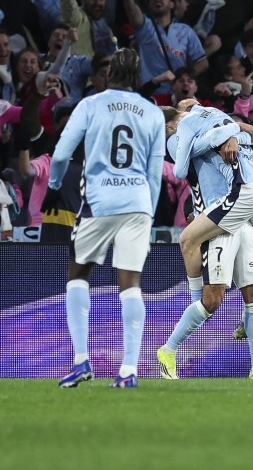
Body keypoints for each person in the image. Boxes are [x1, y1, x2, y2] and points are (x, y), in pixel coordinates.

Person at [47, 49, 165, 389]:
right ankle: (129, 370)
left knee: (78, 274)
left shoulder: (91, 104)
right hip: (138, 202)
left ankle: (81, 360)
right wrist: (149, 213)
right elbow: (155, 174)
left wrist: (55, 184)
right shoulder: (153, 112)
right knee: (130, 284)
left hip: (99, 202)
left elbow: (60, 155)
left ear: (110, 72)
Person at [158, 103, 253, 380]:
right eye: (183, 110)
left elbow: (245, 139)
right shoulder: (175, 140)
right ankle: (168, 349)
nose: (190, 111)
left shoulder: (205, 123)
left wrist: (234, 132)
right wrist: (236, 129)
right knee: (211, 298)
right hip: (218, 213)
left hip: (240, 207)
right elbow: (191, 159)